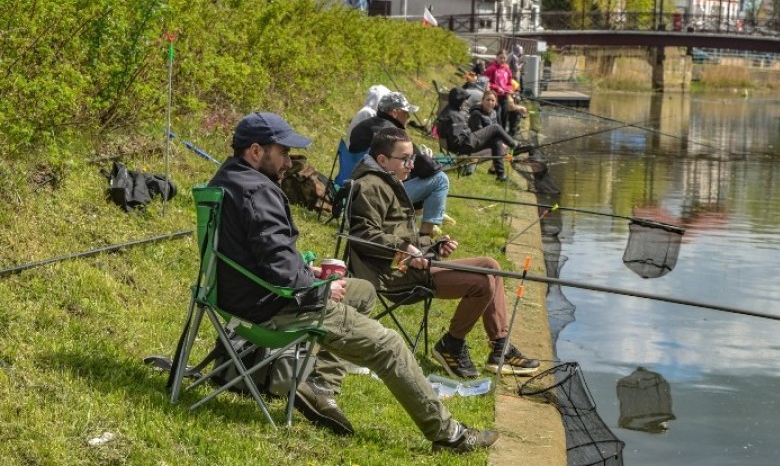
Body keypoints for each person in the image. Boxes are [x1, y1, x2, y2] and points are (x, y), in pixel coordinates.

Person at [209, 111, 498, 452]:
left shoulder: (225, 180)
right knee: (389, 346)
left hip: (236, 298)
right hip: (274, 306)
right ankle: (450, 435)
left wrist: (309, 272)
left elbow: (261, 256)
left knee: (361, 290)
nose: (289, 161)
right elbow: (278, 265)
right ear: (256, 151)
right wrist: (316, 286)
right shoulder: (259, 193)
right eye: (283, 152)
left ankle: (321, 389)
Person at [347, 127, 541, 379]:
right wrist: (407, 249)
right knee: (481, 282)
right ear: (382, 160)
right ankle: (452, 344)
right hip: (389, 274)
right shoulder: (371, 185)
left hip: (406, 264)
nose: (412, 164)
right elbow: (362, 236)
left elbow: (400, 235)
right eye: (405, 159)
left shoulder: (386, 180)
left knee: (491, 265)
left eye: (412, 157)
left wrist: (430, 246)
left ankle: (500, 348)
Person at [349, 92, 450, 237]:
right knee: (440, 179)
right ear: (395, 112)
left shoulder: (363, 125)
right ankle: (425, 234)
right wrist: (427, 158)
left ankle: (408, 223)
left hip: (356, 183)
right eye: (406, 113)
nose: (409, 117)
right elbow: (429, 168)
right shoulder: (395, 136)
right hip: (380, 191)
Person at [435, 87, 534, 182]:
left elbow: (455, 134)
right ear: (458, 100)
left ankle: (501, 175)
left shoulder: (449, 111)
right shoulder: (454, 115)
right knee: (495, 127)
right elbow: (457, 139)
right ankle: (514, 146)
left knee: (496, 142)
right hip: (463, 145)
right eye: (464, 100)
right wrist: (468, 132)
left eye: (493, 101)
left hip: (462, 144)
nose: (466, 102)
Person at [483, 50, 515, 131]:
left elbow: (509, 83)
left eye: (504, 58)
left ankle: (503, 133)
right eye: (501, 58)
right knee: (497, 115)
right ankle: (496, 132)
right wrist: (497, 88)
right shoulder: (491, 68)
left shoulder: (507, 70)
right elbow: (487, 82)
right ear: (496, 57)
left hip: (504, 96)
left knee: (504, 115)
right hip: (494, 97)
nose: (502, 60)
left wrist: (510, 90)